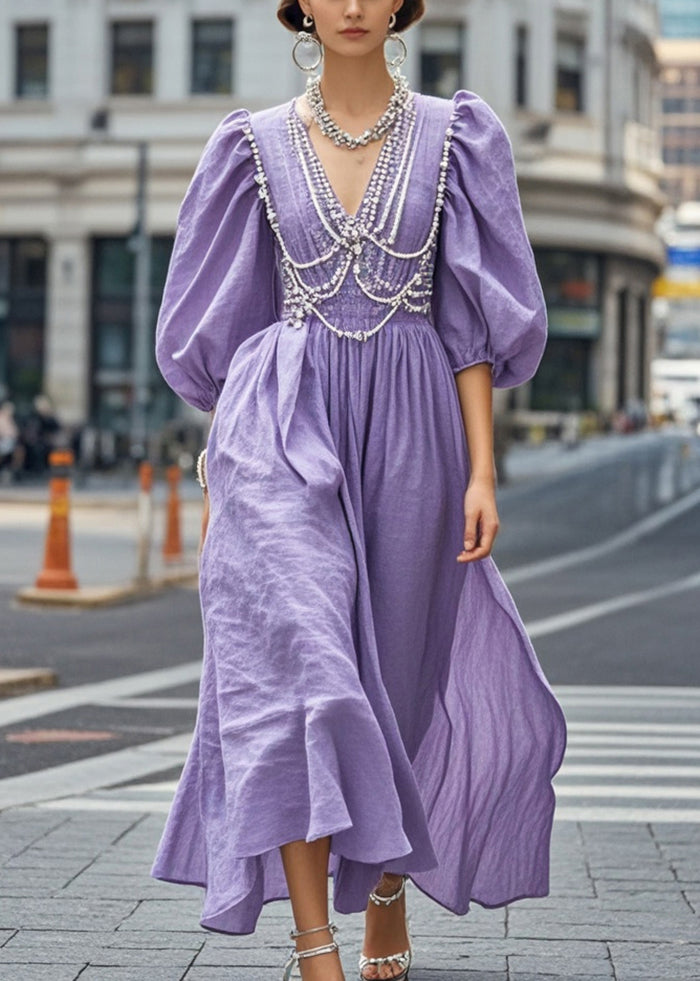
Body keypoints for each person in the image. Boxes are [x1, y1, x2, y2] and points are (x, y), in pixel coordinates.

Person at [150, 2, 568, 980]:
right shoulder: (246, 145)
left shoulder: (457, 137)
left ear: (400, 6)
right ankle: (312, 944)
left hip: (417, 426)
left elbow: (469, 321)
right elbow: (222, 316)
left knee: (399, 687)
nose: (349, 4)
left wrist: (481, 470)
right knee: (300, 675)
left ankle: (383, 889)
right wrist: (229, 451)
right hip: (282, 425)